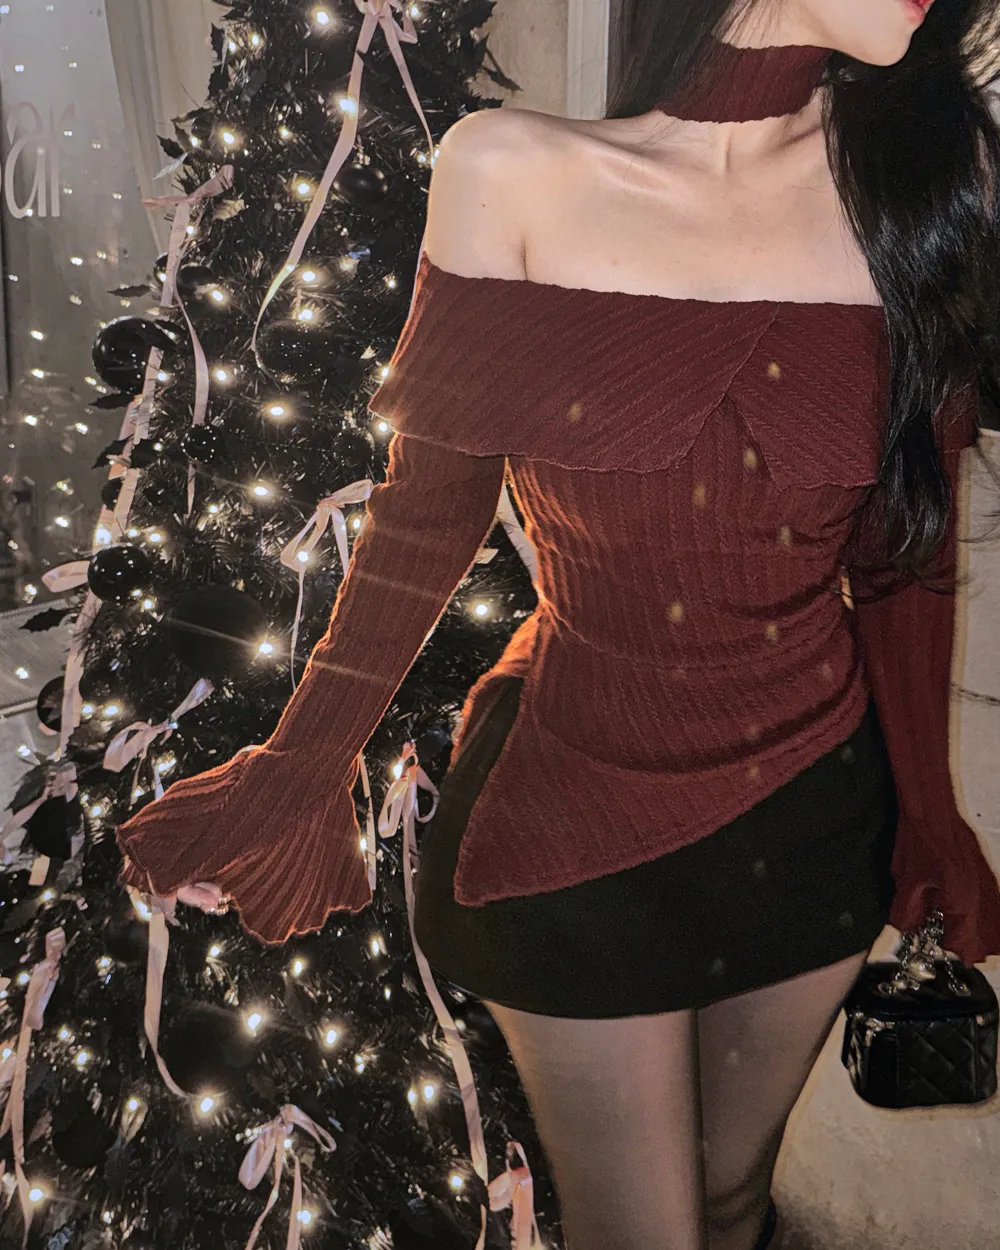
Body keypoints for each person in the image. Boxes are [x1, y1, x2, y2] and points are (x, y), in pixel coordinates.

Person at [116, 1, 1000, 1247]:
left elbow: (906, 561)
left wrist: (930, 814)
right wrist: (297, 769)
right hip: (567, 820)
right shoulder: (510, 171)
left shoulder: (920, 184)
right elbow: (425, 521)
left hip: (815, 815)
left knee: (734, 1199)